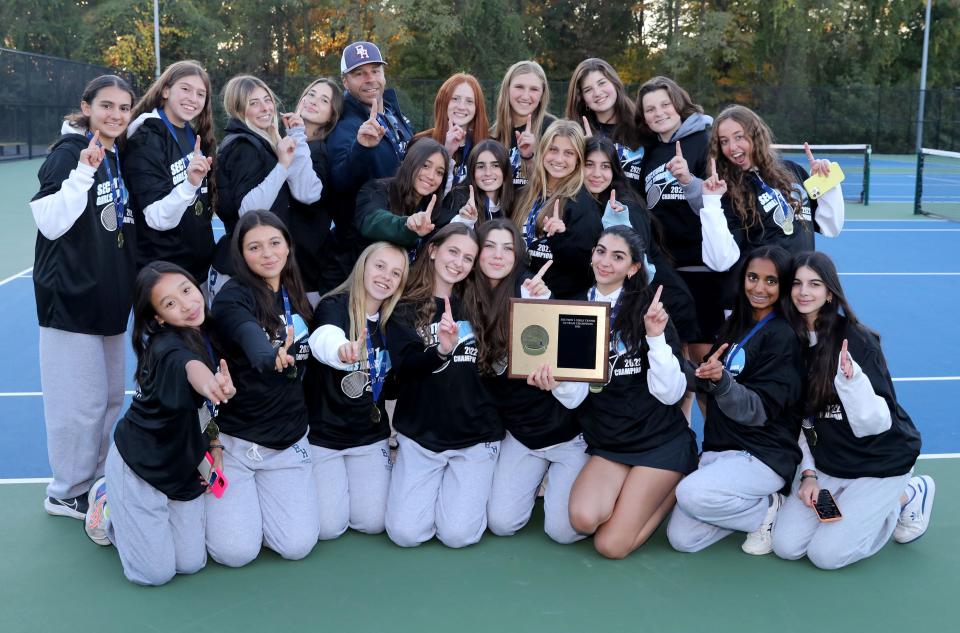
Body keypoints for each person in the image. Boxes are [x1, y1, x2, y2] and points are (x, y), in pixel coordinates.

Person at [772, 251, 931, 569]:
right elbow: (802, 421)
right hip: (831, 464)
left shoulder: (857, 342)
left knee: (827, 556)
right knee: (786, 546)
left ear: (830, 292)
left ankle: (908, 495)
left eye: (815, 284)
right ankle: (855, 506)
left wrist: (852, 381)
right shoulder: (789, 340)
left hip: (878, 463)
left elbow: (876, 422)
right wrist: (808, 475)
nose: (804, 292)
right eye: (798, 284)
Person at [83, 261, 235, 585]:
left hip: (180, 462)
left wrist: (215, 446)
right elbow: (190, 369)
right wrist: (210, 383)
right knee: (153, 573)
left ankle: (143, 520)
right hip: (140, 466)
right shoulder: (167, 349)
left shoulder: (204, 333)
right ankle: (108, 506)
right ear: (159, 318)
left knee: (191, 563)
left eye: (185, 290)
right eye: (170, 303)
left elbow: (202, 409)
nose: (187, 304)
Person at [30, 74, 137, 519]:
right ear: (86, 106)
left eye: (123, 108)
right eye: (106, 105)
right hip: (71, 300)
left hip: (108, 301)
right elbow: (50, 222)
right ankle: (65, 491)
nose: (115, 115)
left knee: (110, 399)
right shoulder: (69, 154)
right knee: (78, 406)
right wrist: (83, 173)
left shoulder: (115, 155)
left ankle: (90, 482)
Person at [563, 226, 696, 558]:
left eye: (618, 256)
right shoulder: (576, 309)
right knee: (582, 519)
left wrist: (654, 337)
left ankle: (674, 482)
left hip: (658, 440)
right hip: (609, 441)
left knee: (610, 546)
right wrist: (556, 380)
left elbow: (671, 393)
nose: (605, 262)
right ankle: (635, 491)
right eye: (600, 251)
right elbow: (573, 398)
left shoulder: (649, 310)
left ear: (634, 268)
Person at [667, 245, 803, 556]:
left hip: (762, 453)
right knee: (683, 540)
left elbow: (758, 410)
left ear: (783, 286)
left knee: (690, 494)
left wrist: (722, 381)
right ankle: (755, 510)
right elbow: (705, 379)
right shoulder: (737, 324)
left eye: (771, 281)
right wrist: (658, 348)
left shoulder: (783, 336)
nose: (759, 287)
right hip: (722, 447)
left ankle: (772, 507)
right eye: (753, 277)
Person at [206, 210, 320, 567]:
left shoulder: (296, 292)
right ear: (241, 254)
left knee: (296, 546)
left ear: (288, 245)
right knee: (235, 553)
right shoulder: (231, 298)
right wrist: (269, 356)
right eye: (254, 247)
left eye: (274, 243)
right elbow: (248, 335)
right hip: (238, 441)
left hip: (287, 438)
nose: (267, 253)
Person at [462, 219, 585, 544]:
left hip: (568, 435)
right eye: (489, 246)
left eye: (507, 248)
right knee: (502, 523)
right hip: (519, 435)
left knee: (563, 531)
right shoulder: (466, 295)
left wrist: (542, 305)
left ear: (518, 255)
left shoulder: (532, 291)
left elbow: (574, 387)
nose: (498, 256)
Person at [384, 224, 503, 548]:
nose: (459, 263)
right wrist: (441, 350)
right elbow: (405, 367)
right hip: (422, 435)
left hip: (475, 436)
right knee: (405, 534)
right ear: (433, 250)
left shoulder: (482, 301)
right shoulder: (403, 304)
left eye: (468, 257)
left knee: (458, 535)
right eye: (453, 251)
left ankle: (465, 489)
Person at [305, 241, 409, 540]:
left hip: (368, 435)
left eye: (395, 273)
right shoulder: (334, 305)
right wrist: (341, 350)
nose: (385, 277)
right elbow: (324, 337)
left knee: (374, 522)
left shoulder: (394, 321)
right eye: (379, 266)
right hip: (324, 436)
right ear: (363, 266)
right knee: (327, 528)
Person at [211, 75, 323, 297]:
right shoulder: (244, 146)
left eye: (267, 100)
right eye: (254, 103)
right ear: (239, 108)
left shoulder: (264, 141)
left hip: (257, 264)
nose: (265, 108)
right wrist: (282, 165)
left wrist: (296, 136)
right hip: (244, 269)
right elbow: (248, 212)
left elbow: (309, 193)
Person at [583, 136, 698, 343]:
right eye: (589, 165)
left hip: (664, 305)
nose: (597, 174)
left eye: (605, 166)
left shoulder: (624, 206)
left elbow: (641, 268)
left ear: (615, 170)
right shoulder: (593, 202)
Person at [637, 77, 719, 362]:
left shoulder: (704, 142)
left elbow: (715, 204)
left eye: (664, 104)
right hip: (666, 269)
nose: (658, 113)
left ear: (679, 105)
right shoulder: (649, 152)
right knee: (674, 357)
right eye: (650, 109)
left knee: (705, 360)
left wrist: (689, 180)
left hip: (701, 268)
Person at [706, 105, 844, 271]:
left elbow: (830, 226)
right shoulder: (729, 191)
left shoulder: (792, 170)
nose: (732, 147)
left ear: (756, 135)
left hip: (799, 288)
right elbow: (720, 262)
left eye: (739, 137)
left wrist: (826, 183)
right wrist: (711, 202)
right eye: (724, 141)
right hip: (765, 292)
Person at [324, 41, 415, 288]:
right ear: (345, 81)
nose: (369, 78)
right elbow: (340, 180)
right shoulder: (345, 125)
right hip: (366, 252)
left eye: (375, 70)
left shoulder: (393, 112)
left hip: (400, 237)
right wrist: (361, 147)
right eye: (359, 73)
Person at [125, 60, 217, 287]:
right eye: (185, 89)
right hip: (164, 275)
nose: (193, 99)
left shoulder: (191, 134)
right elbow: (156, 217)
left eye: (200, 94)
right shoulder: (147, 137)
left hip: (197, 271)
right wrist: (189, 184)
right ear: (165, 90)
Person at [512, 119, 600, 299]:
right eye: (553, 150)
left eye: (569, 153)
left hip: (557, 304)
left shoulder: (582, 203)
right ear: (543, 151)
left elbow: (589, 268)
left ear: (578, 160)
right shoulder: (526, 194)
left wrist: (562, 238)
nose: (559, 159)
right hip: (519, 296)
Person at [289, 77, 343, 302]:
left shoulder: (319, 153)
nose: (313, 101)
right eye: (311, 94)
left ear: (331, 115)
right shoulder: (286, 140)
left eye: (324, 100)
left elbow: (307, 196)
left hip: (304, 271)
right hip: (284, 262)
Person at [354, 138, 448, 250]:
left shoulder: (431, 206)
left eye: (439, 172)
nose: (431, 176)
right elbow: (372, 221)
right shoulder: (377, 188)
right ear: (411, 162)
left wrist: (465, 220)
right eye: (425, 166)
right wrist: (407, 225)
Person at [565, 58, 645, 188]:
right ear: (583, 99)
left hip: (634, 206)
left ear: (615, 83)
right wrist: (585, 150)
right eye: (588, 90)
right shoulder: (576, 134)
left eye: (602, 83)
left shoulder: (642, 126)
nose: (597, 93)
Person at [413, 73, 490, 193]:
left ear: (477, 108)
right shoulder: (420, 142)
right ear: (444, 102)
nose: (461, 106)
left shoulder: (486, 147)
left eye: (469, 101)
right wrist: (446, 153)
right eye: (455, 99)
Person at [490, 60, 556, 187]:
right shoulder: (493, 134)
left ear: (542, 94)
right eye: (519, 87)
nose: (526, 96)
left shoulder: (553, 130)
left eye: (534, 89)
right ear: (507, 89)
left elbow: (557, 185)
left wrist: (530, 157)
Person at [434, 139, 515, 229]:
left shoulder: (513, 202)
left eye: (495, 165)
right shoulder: (458, 198)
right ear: (472, 171)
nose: (488, 173)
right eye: (480, 166)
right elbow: (439, 234)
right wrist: (463, 221)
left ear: (505, 169)